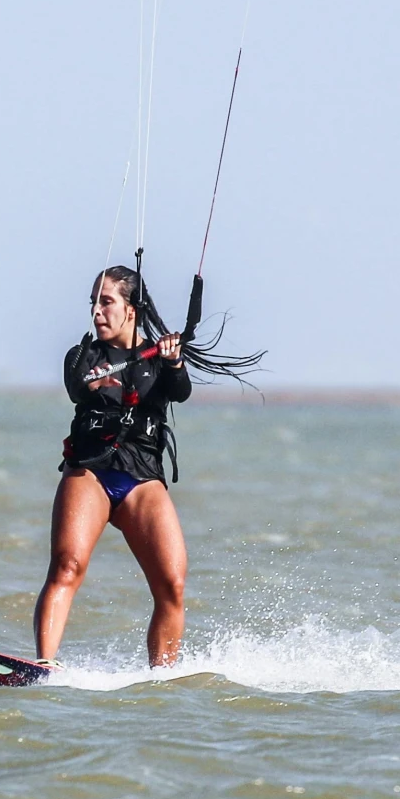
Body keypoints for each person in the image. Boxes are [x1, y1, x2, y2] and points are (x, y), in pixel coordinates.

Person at [33, 264, 262, 667]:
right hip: (90, 471)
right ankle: (43, 665)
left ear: (131, 308)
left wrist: (173, 361)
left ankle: (162, 677)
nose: (97, 312)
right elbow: (76, 385)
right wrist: (97, 375)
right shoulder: (84, 356)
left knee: (172, 585)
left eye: (106, 302)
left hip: (142, 479)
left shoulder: (158, 361)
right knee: (67, 566)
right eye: (94, 303)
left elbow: (182, 391)